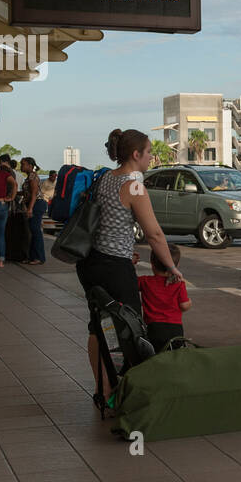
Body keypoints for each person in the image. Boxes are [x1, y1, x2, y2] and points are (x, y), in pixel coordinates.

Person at [77, 128, 183, 401]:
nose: (151, 157)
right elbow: (154, 234)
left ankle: (103, 389)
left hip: (92, 262)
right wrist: (171, 266)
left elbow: (109, 222)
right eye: (149, 152)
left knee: (97, 326)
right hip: (114, 267)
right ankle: (135, 392)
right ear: (136, 154)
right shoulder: (135, 183)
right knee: (132, 328)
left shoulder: (105, 178)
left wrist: (125, 249)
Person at [137, 242, 191, 351]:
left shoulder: (145, 281)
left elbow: (129, 282)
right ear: (176, 265)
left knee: (155, 356)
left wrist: (131, 264)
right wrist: (189, 301)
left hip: (154, 329)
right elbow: (184, 306)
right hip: (175, 330)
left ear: (152, 264)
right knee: (174, 356)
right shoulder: (178, 284)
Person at [19, 157, 47, 264]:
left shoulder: (32, 176)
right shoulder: (28, 177)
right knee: (32, 230)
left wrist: (30, 208)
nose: (21, 166)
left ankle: (39, 257)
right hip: (32, 204)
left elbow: (34, 193)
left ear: (30, 166)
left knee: (35, 231)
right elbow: (28, 192)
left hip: (36, 204)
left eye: (23, 164)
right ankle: (32, 256)